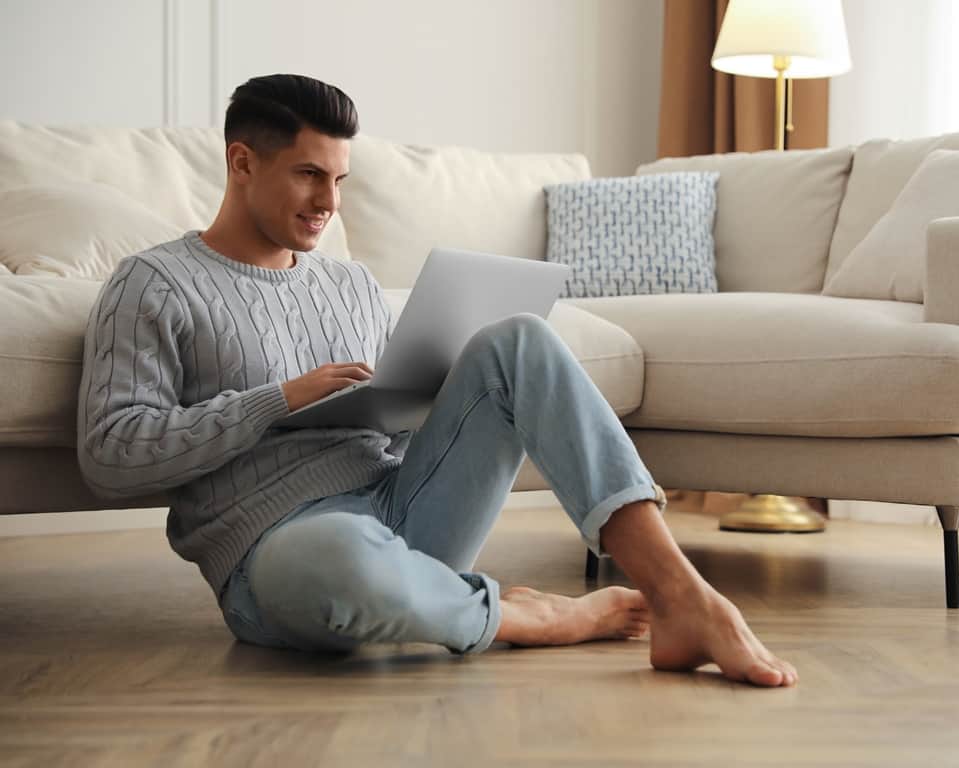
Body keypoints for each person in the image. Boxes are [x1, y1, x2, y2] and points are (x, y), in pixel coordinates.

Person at [76, 74, 798, 688]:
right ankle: (521, 615)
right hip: (278, 553)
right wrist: (280, 398)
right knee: (339, 555)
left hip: (401, 507)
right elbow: (109, 453)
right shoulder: (154, 284)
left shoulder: (350, 284)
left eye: (339, 180)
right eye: (308, 174)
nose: (329, 201)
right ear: (241, 162)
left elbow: (392, 427)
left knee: (521, 339)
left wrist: (426, 396)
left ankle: (682, 597)